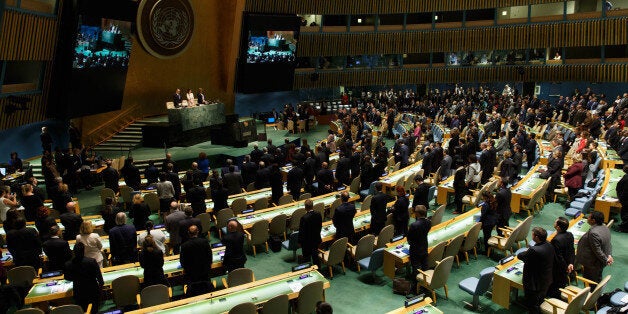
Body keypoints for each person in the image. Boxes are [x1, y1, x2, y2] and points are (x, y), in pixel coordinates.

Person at [517, 227, 555, 314]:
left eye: (533, 234)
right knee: (540, 300)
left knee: (532, 305)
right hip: (546, 279)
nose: (532, 236)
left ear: (537, 237)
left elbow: (520, 256)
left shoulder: (534, 250)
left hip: (534, 283)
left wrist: (528, 251)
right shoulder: (549, 245)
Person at [572, 211, 613, 287]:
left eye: (589, 217)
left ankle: (591, 296)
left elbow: (597, 250)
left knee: (591, 282)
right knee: (597, 278)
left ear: (593, 220)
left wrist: (606, 259)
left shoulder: (593, 232)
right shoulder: (604, 227)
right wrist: (609, 255)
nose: (587, 218)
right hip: (600, 261)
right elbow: (608, 243)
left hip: (592, 263)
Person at [64, 242, 103, 313]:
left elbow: (67, 278)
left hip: (79, 291)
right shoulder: (91, 261)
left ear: (74, 252)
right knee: (94, 311)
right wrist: (101, 289)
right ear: (84, 251)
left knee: (82, 310)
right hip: (93, 290)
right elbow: (99, 277)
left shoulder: (68, 264)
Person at [180, 225, 213, 296]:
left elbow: (182, 260)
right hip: (205, 270)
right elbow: (210, 255)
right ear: (197, 232)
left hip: (191, 273)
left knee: (193, 290)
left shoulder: (184, 246)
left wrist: (185, 269)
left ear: (188, 233)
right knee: (206, 288)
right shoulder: (204, 242)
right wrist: (209, 265)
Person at [548, 217, 575, 298]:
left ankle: (554, 299)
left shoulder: (556, 240)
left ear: (558, 227)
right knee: (561, 282)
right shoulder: (570, 235)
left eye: (555, 222)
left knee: (555, 286)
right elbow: (571, 250)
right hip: (567, 264)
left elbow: (558, 258)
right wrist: (570, 263)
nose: (554, 222)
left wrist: (566, 267)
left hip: (558, 268)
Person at [407, 205, 431, 272]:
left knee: (416, 267)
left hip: (415, 249)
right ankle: (424, 280)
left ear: (417, 213)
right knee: (425, 264)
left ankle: (415, 281)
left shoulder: (413, 225)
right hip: (424, 245)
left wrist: (410, 242)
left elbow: (409, 238)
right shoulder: (429, 222)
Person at [298, 199, 322, 265]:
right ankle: (318, 269)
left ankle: (307, 269)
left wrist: (299, 242)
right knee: (315, 256)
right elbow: (320, 226)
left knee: (306, 258)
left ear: (305, 207)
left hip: (307, 242)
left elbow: (302, 232)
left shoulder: (304, 218)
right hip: (316, 239)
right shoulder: (318, 214)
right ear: (312, 206)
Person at [616, 165, 628, 232]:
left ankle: (624, 228)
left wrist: (620, 198)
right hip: (624, 199)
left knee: (625, 213)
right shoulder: (626, 176)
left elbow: (625, 191)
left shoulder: (626, 178)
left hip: (625, 199)